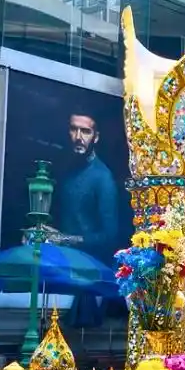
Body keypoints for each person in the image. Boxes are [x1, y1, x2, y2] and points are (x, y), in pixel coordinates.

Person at [56, 107, 119, 261]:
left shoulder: (103, 177)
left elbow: (110, 235)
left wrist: (67, 239)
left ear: (95, 137)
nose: (78, 137)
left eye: (85, 131)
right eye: (73, 129)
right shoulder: (65, 169)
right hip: (62, 260)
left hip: (90, 267)